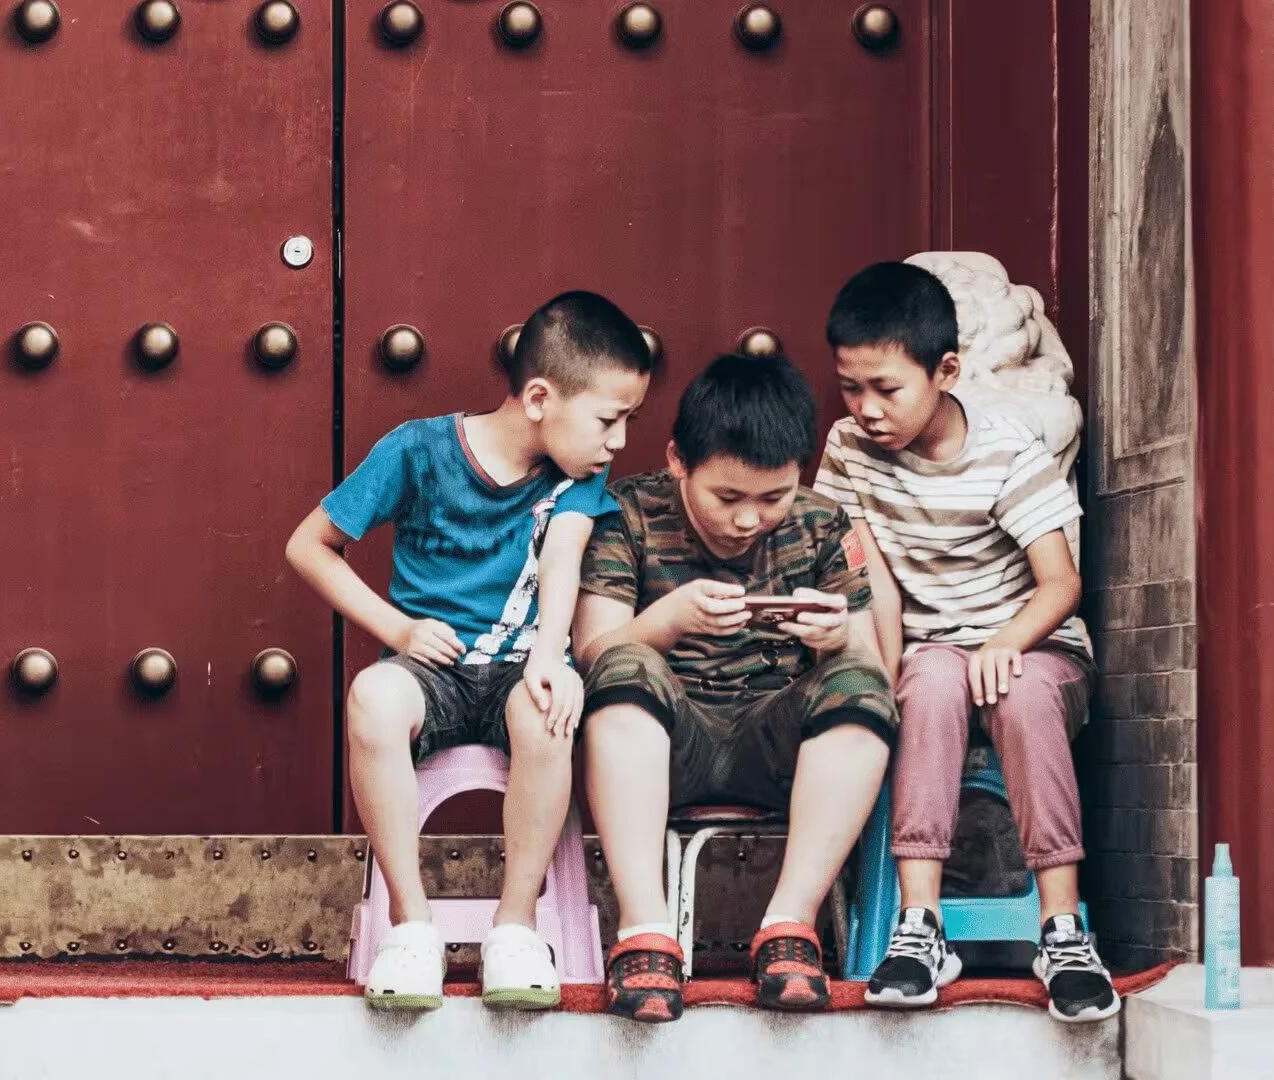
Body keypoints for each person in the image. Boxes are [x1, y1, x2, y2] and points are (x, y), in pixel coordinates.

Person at [285, 291, 651, 1010]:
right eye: (610, 420)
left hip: (519, 666)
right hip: (434, 672)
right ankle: (410, 925)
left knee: (548, 712)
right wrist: (396, 632)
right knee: (373, 698)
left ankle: (515, 927)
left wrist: (549, 656)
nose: (619, 443)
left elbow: (563, 557)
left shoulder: (577, 477)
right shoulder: (418, 451)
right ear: (540, 396)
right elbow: (309, 547)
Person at [815, 260, 1118, 1023]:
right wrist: (876, 671)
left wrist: (1004, 641)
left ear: (945, 370)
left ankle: (1061, 929)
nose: (867, 409)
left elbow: (1061, 584)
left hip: (1035, 645)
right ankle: (920, 928)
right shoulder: (848, 450)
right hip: (933, 655)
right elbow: (866, 573)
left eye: (888, 389)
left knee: (1017, 689)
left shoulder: (1008, 451)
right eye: (852, 388)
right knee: (930, 677)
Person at [575, 352, 896, 1022]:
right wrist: (665, 622)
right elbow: (592, 652)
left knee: (861, 686)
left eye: (773, 498)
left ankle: (789, 927)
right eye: (728, 498)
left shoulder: (823, 526)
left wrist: (835, 638)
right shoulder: (626, 515)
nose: (750, 520)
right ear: (678, 462)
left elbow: (871, 661)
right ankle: (644, 931)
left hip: (777, 748)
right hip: (666, 747)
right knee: (623, 669)